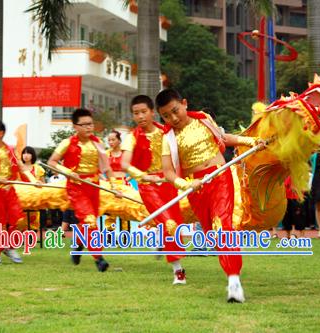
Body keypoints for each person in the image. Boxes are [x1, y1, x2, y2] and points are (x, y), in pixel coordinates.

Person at [156, 89, 262, 302]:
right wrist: (184, 184)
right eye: (166, 115)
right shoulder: (167, 138)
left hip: (221, 177)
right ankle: (232, 277)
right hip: (196, 188)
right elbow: (168, 171)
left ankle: (234, 282)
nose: (173, 118)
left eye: (175, 111)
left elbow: (224, 138)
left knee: (222, 226)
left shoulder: (204, 119)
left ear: (184, 103)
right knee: (213, 235)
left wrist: (252, 142)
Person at [121, 95, 187, 285]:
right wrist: (144, 176)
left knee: (174, 223)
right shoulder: (131, 138)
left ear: (152, 112)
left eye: (144, 112)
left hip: (168, 184)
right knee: (169, 223)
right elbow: (124, 164)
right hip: (148, 187)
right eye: (136, 113)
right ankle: (179, 271)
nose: (140, 116)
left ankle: (162, 242)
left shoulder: (166, 132)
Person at [48, 108, 118, 272]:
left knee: (87, 222)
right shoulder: (67, 143)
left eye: (90, 124)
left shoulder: (98, 143)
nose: (89, 127)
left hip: (94, 187)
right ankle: (99, 259)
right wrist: (68, 172)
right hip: (76, 187)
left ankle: (78, 244)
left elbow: (107, 168)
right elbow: (52, 162)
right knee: (90, 221)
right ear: (75, 126)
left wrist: (114, 186)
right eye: (84, 124)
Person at [0, 120, 39, 265]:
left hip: (10, 191)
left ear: (1, 134)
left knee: (17, 220)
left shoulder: (11, 150)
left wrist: (33, 180)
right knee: (0, 223)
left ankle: (10, 247)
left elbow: (22, 167)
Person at [104, 130, 129, 233]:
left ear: (119, 140)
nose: (110, 142)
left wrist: (127, 179)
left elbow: (136, 168)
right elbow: (99, 169)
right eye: (109, 140)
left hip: (123, 184)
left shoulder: (125, 154)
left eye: (113, 139)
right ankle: (109, 236)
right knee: (110, 210)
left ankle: (125, 236)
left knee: (124, 210)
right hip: (110, 184)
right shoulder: (106, 154)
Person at [20, 146, 45, 232]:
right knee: (20, 218)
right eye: (24, 153)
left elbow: (44, 184)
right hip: (21, 197)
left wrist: (39, 184)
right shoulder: (18, 168)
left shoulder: (38, 168)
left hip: (34, 198)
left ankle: (31, 235)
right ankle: (20, 236)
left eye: (28, 153)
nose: (25, 155)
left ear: (32, 155)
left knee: (33, 218)